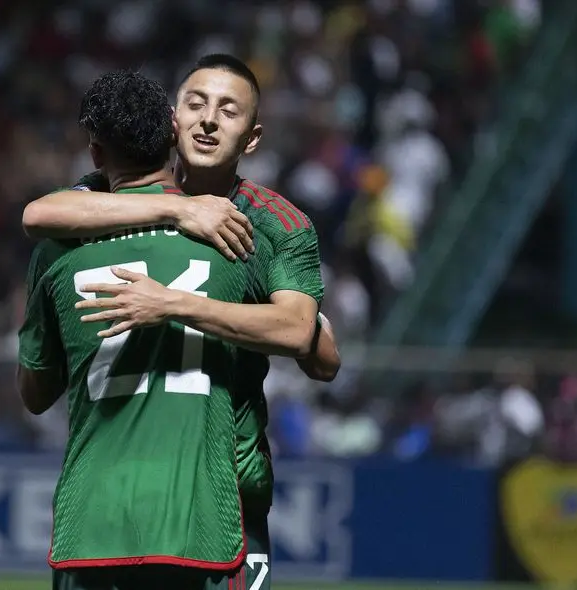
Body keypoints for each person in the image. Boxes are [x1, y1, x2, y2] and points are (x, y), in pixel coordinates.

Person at [22, 54, 340, 590]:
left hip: (228, 487)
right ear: (173, 119)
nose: (209, 120)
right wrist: (177, 211)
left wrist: (174, 303)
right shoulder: (105, 196)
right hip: (130, 483)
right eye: (196, 104)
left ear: (252, 137)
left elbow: (307, 340)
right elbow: (38, 214)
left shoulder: (273, 224)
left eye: (228, 111)